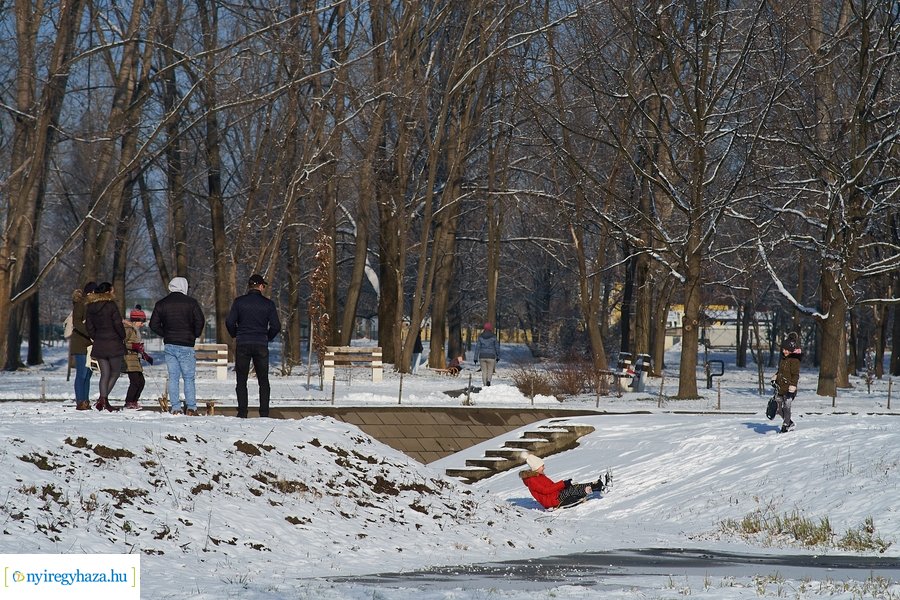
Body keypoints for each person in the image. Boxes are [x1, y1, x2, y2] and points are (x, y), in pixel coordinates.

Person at [225, 274, 281, 418]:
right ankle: (264, 413)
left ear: (250, 286)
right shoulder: (268, 304)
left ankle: (242, 413)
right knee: (263, 381)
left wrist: (235, 334)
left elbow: (230, 322)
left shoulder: (239, 302)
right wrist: (267, 337)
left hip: (243, 343)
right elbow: (276, 326)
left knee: (241, 380)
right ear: (261, 286)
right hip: (261, 344)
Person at [150, 277, 205, 416]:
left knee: (173, 377)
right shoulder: (191, 303)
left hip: (170, 344)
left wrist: (166, 334)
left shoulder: (162, 303)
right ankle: (191, 407)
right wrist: (194, 334)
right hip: (186, 344)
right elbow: (200, 320)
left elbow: (153, 324)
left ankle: (175, 407)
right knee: (188, 377)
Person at [84, 281, 126, 412]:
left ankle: (103, 400)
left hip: (100, 343)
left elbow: (89, 326)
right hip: (113, 343)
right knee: (115, 373)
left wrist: (96, 336)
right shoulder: (111, 305)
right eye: (112, 290)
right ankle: (103, 399)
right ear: (108, 292)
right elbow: (118, 323)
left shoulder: (90, 307)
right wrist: (122, 336)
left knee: (104, 374)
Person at [519, 453, 605, 510]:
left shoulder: (539, 476)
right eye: (542, 466)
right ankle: (593, 488)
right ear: (536, 467)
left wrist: (565, 484)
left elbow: (552, 485)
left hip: (555, 495)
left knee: (573, 486)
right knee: (570, 491)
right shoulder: (532, 481)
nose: (544, 467)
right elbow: (545, 490)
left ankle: (595, 484)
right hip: (551, 501)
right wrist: (562, 484)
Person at [69, 282, 97, 410]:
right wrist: (90, 333)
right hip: (80, 344)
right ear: (90, 292)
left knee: (88, 373)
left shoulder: (93, 306)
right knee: (82, 373)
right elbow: (77, 322)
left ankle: (85, 399)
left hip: (90, 344)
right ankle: (80, 400)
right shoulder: (81, 304)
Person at [123, 305, 153, 410]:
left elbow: (138, 346)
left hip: (135, 359)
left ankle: (134, 401)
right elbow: (122, 343)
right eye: (141, 321)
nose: (142, 324)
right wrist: (134, 346)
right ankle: (129, 402)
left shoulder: (135, 329)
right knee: (135, 381)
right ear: (135, 320)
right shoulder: (128, 328)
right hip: (128, 358)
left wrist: (145, 356)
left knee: (141, 381)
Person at [773, 331, 802, 433]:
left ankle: (785, 426)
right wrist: (775, 377)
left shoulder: (794, 361)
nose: (785, 351)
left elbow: (795, 375)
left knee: (786, 407)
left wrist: (793, 386)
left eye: (787, 350)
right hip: (781, 387)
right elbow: (780, 371)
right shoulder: (783, 359)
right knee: (778, 408)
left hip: (789, 388)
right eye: (784, 349)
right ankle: (789, 422)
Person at [473, 322, 500, 386]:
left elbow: (477, 348)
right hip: (491, 356)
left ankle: (485, 385)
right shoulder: (494, 336)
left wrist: (475, 358)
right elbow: (497, 347)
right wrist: (498, 356)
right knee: (490, 370)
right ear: (490, 328)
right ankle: (488, 381)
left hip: (482, 356)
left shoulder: (480, 336)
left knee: (484, 371)